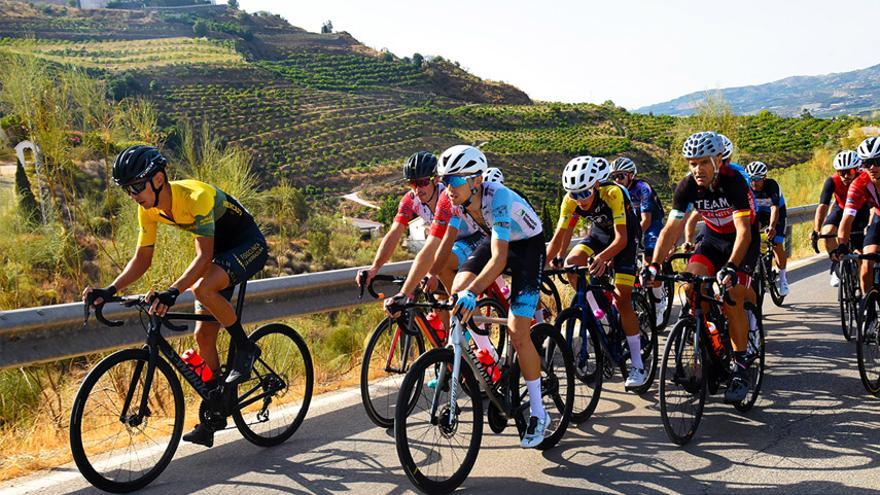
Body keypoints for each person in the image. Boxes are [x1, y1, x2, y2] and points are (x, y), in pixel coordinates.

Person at [82, 145, 268, 447]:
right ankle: (217, 410)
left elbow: (204, 257)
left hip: (248, 246)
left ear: (157, 179)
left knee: (202, 288)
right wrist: (110, 289)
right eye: (127, 190)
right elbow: (142, 259)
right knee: (202, 337)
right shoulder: (148, 209)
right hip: (220, 255)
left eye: (136, 186)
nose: (133, 195)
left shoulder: (195, 198)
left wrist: (173, 291)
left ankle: (245, 348)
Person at [386, 145, 550, 448]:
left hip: (526, 247)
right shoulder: (454, 201)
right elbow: (434, 247)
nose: (448, 188)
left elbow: (500, 259)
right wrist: (405, 293)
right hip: (494, 240)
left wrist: (475, 292)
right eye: (445, 180)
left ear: (476, 179)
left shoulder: (498, 197)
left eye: (454, 181)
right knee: (456, 292)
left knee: (518, 332)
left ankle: (540, 412)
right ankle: (478, 359)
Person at [644, 131, 758, 404]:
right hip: (712, 240)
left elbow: (744, 232)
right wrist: (654, 265)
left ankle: (741, 367)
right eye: (692, 163)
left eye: (703, 162)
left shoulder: (735, 183)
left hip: (742, 243)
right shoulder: (686, 187)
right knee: (690, 286)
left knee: (731, 297)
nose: (697, 169)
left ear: (719, 160)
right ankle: (707, 345)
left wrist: (731, 266)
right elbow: (671, 229)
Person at [546, 156, 647, 388]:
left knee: (623, 298)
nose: (579, 199)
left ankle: (638, 365)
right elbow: (563, 233)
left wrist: (603, 257)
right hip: (599, 235)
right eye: (574, 194)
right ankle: (596, 310)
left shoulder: (613, 193)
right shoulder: (570, 200)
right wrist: (557, 257)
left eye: (584, 193)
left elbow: (621, 239)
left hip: (625, 239)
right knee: (573, 263)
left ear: (596, 185)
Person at [356, 151, 442, 288]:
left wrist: (433, 272)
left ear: (436, 179)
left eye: (423, 182)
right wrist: (375, 267)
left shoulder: (448, 196)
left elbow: (446, 239)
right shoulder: (410, 200)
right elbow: (395, 233)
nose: (418, 189)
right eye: (413, 184)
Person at [610, 156, 668, 326]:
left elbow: (646, 220)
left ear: (631, 175)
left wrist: (632, 238)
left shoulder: (642, 188)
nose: (617, 180)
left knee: (650, 259)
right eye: (613, 177)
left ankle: (658, 302)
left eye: (620, 176)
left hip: (651, 224)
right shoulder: (616, 191)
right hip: (634, 224)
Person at [812, 150, 868, 287]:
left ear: (857, 169)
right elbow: (823, 206)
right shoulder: (832, 181)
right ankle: (837, 265)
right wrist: (816, 230)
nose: (845, 176)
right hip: (841, 208)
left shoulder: (865, 179)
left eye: (850, 171)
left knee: (860, 252)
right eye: (841, 172)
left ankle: (863, 290)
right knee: (827, 232)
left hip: (862, 210)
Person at [835, 137, 880, 294]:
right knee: (866, 263)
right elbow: (847, 218)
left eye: (878, 161)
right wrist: (842, 244)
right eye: (868, 163)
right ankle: (870, 312)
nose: (873, 167)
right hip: (879, 218)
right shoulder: (859, 183)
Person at [745, 161, 790, 296]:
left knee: (776, 243)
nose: (754, 182)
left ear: (764, 177)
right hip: (759, 214)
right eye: (751, 179)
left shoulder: (772, 185)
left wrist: (771, 227)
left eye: (757, 179)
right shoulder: (746, 187)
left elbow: (774, 208)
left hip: (776, 214)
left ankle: (783, 279)